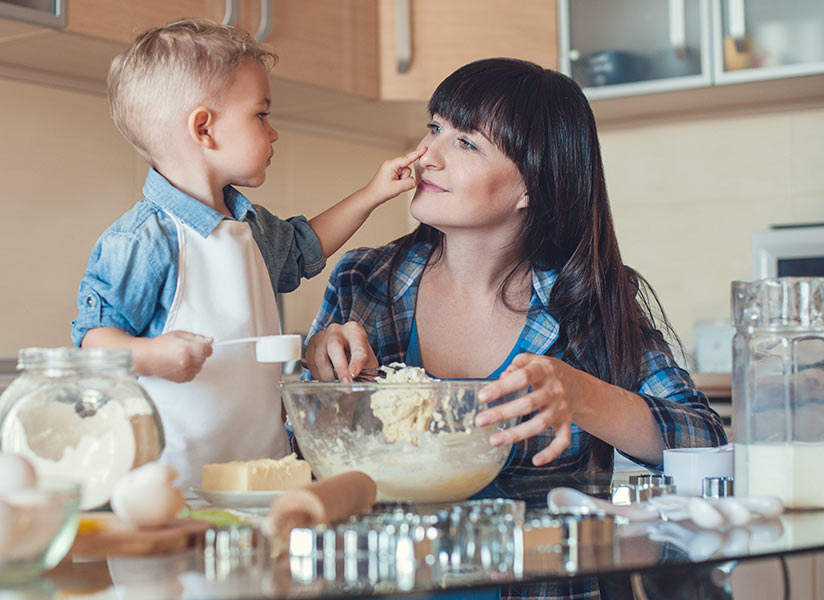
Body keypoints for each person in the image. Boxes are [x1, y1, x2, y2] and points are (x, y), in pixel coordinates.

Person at [304, 58, 727, 599]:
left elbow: (703, 440)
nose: (425, 156)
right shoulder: (364, 281)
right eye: (435, 128)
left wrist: (583, 396)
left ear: (532, 186)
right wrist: (321, 379)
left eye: (466, 143)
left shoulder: (590, 300)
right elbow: (300, 457)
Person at [71, 18, 423, 490]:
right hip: (171, 487)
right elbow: (93, 344)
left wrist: (373, 192)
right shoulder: (144, 239)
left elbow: (305, 247)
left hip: (261, 477)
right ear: (204, 128)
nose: (273, 132)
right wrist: (151, 355)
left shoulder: (250, 227)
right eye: (260, 115)